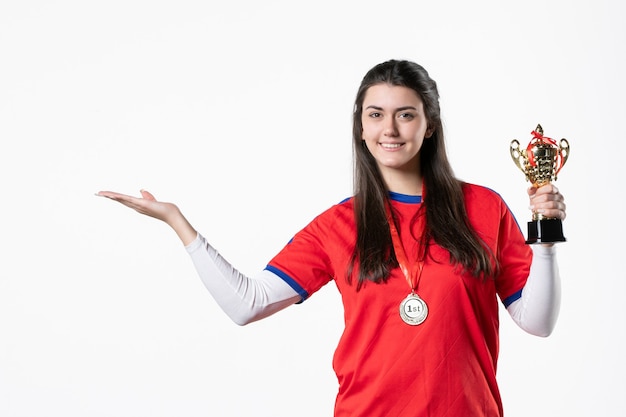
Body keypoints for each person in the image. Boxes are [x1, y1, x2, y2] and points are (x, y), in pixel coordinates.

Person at [97, 59, 565, 417]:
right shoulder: (337, 226)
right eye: (376, 114)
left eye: (406, 114)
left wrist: (544, 238)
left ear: (430, 124)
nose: (390, 129)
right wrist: (180, 224)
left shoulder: (483, 208)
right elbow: (248, 303)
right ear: (360, 128)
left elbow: (537, 322)